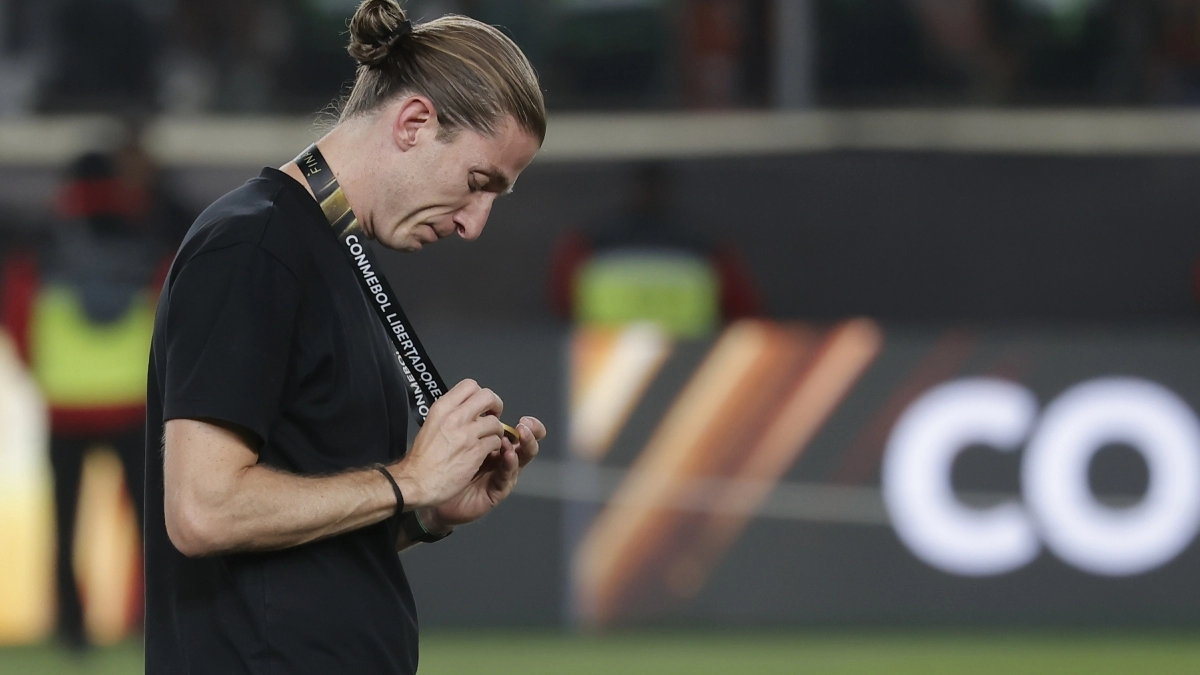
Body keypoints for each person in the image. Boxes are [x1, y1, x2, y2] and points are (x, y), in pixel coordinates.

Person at [144, 3, 547, 674]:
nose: (474, 224)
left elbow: (304, 545)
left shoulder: (332, 256)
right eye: (479, 184)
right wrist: (409, 476)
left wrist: (427, 509)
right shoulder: (254, 244)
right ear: (415, 122)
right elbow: (203, 510)